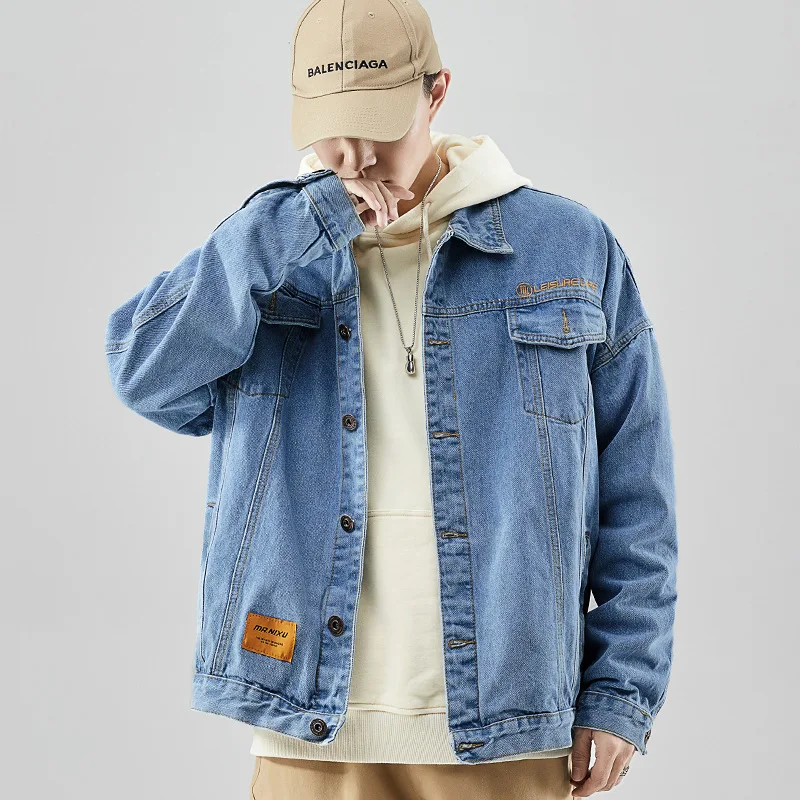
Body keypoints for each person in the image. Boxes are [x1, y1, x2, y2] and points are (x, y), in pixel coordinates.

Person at [104, 1, 678, 798]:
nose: (354, 154)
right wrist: (289, 229)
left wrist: (620, 692)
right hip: (308, 724)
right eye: (331, 130)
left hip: (506, 728)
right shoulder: (272, 251)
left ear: (437, 92)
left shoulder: (567, 247)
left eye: (377, 123)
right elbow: (143, 371)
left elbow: (638, 492)